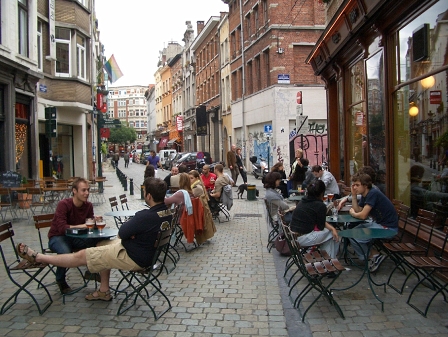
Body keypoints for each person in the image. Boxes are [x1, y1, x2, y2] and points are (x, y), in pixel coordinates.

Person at [17, 177, 172, 301]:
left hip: (133, 257)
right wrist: (134, 234)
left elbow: (122, 232)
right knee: (101, 244)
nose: (86, 193)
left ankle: (38, 257)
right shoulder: (167, 213)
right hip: (146, 256)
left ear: (149, 196)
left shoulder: (144, 216)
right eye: (84, 190)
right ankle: (104, 290)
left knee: (82, 255)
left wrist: (132, 233)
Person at [47, 178, 103, 294]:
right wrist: (83, 226)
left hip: (76, 238)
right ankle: (60, 280)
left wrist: (96, 223)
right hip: (58, 237)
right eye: (83, 190)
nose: (87, 193)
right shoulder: (64, 204)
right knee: (65, 252)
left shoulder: (88, 206)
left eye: (88, 190)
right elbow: (62, 228)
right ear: (74, 191)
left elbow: (89, 228)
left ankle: (91, 271)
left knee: (97, 243)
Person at [348, 173, 398, 272]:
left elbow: (362, 215)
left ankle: (373, 256)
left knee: (355, 236)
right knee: (351, 233)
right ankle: (373, 255)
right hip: (378, 224)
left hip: (387, 228)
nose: (354, 187)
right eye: (353, 185)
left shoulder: (373, 193)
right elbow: (359, 210)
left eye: (357, 185)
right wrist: (354, 196)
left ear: (365, 186)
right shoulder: (365, 194)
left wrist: (353, 213)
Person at [290, 180, 339, 258]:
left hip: (294, 236)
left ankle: (329, 260)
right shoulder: (320, 206)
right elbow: (320, 227)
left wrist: (332, 228)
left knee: (330, 236)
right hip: (304, 238)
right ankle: (330, 261)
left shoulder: (303, 201)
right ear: (322, 192)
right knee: (333, 235)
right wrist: (333, 229)